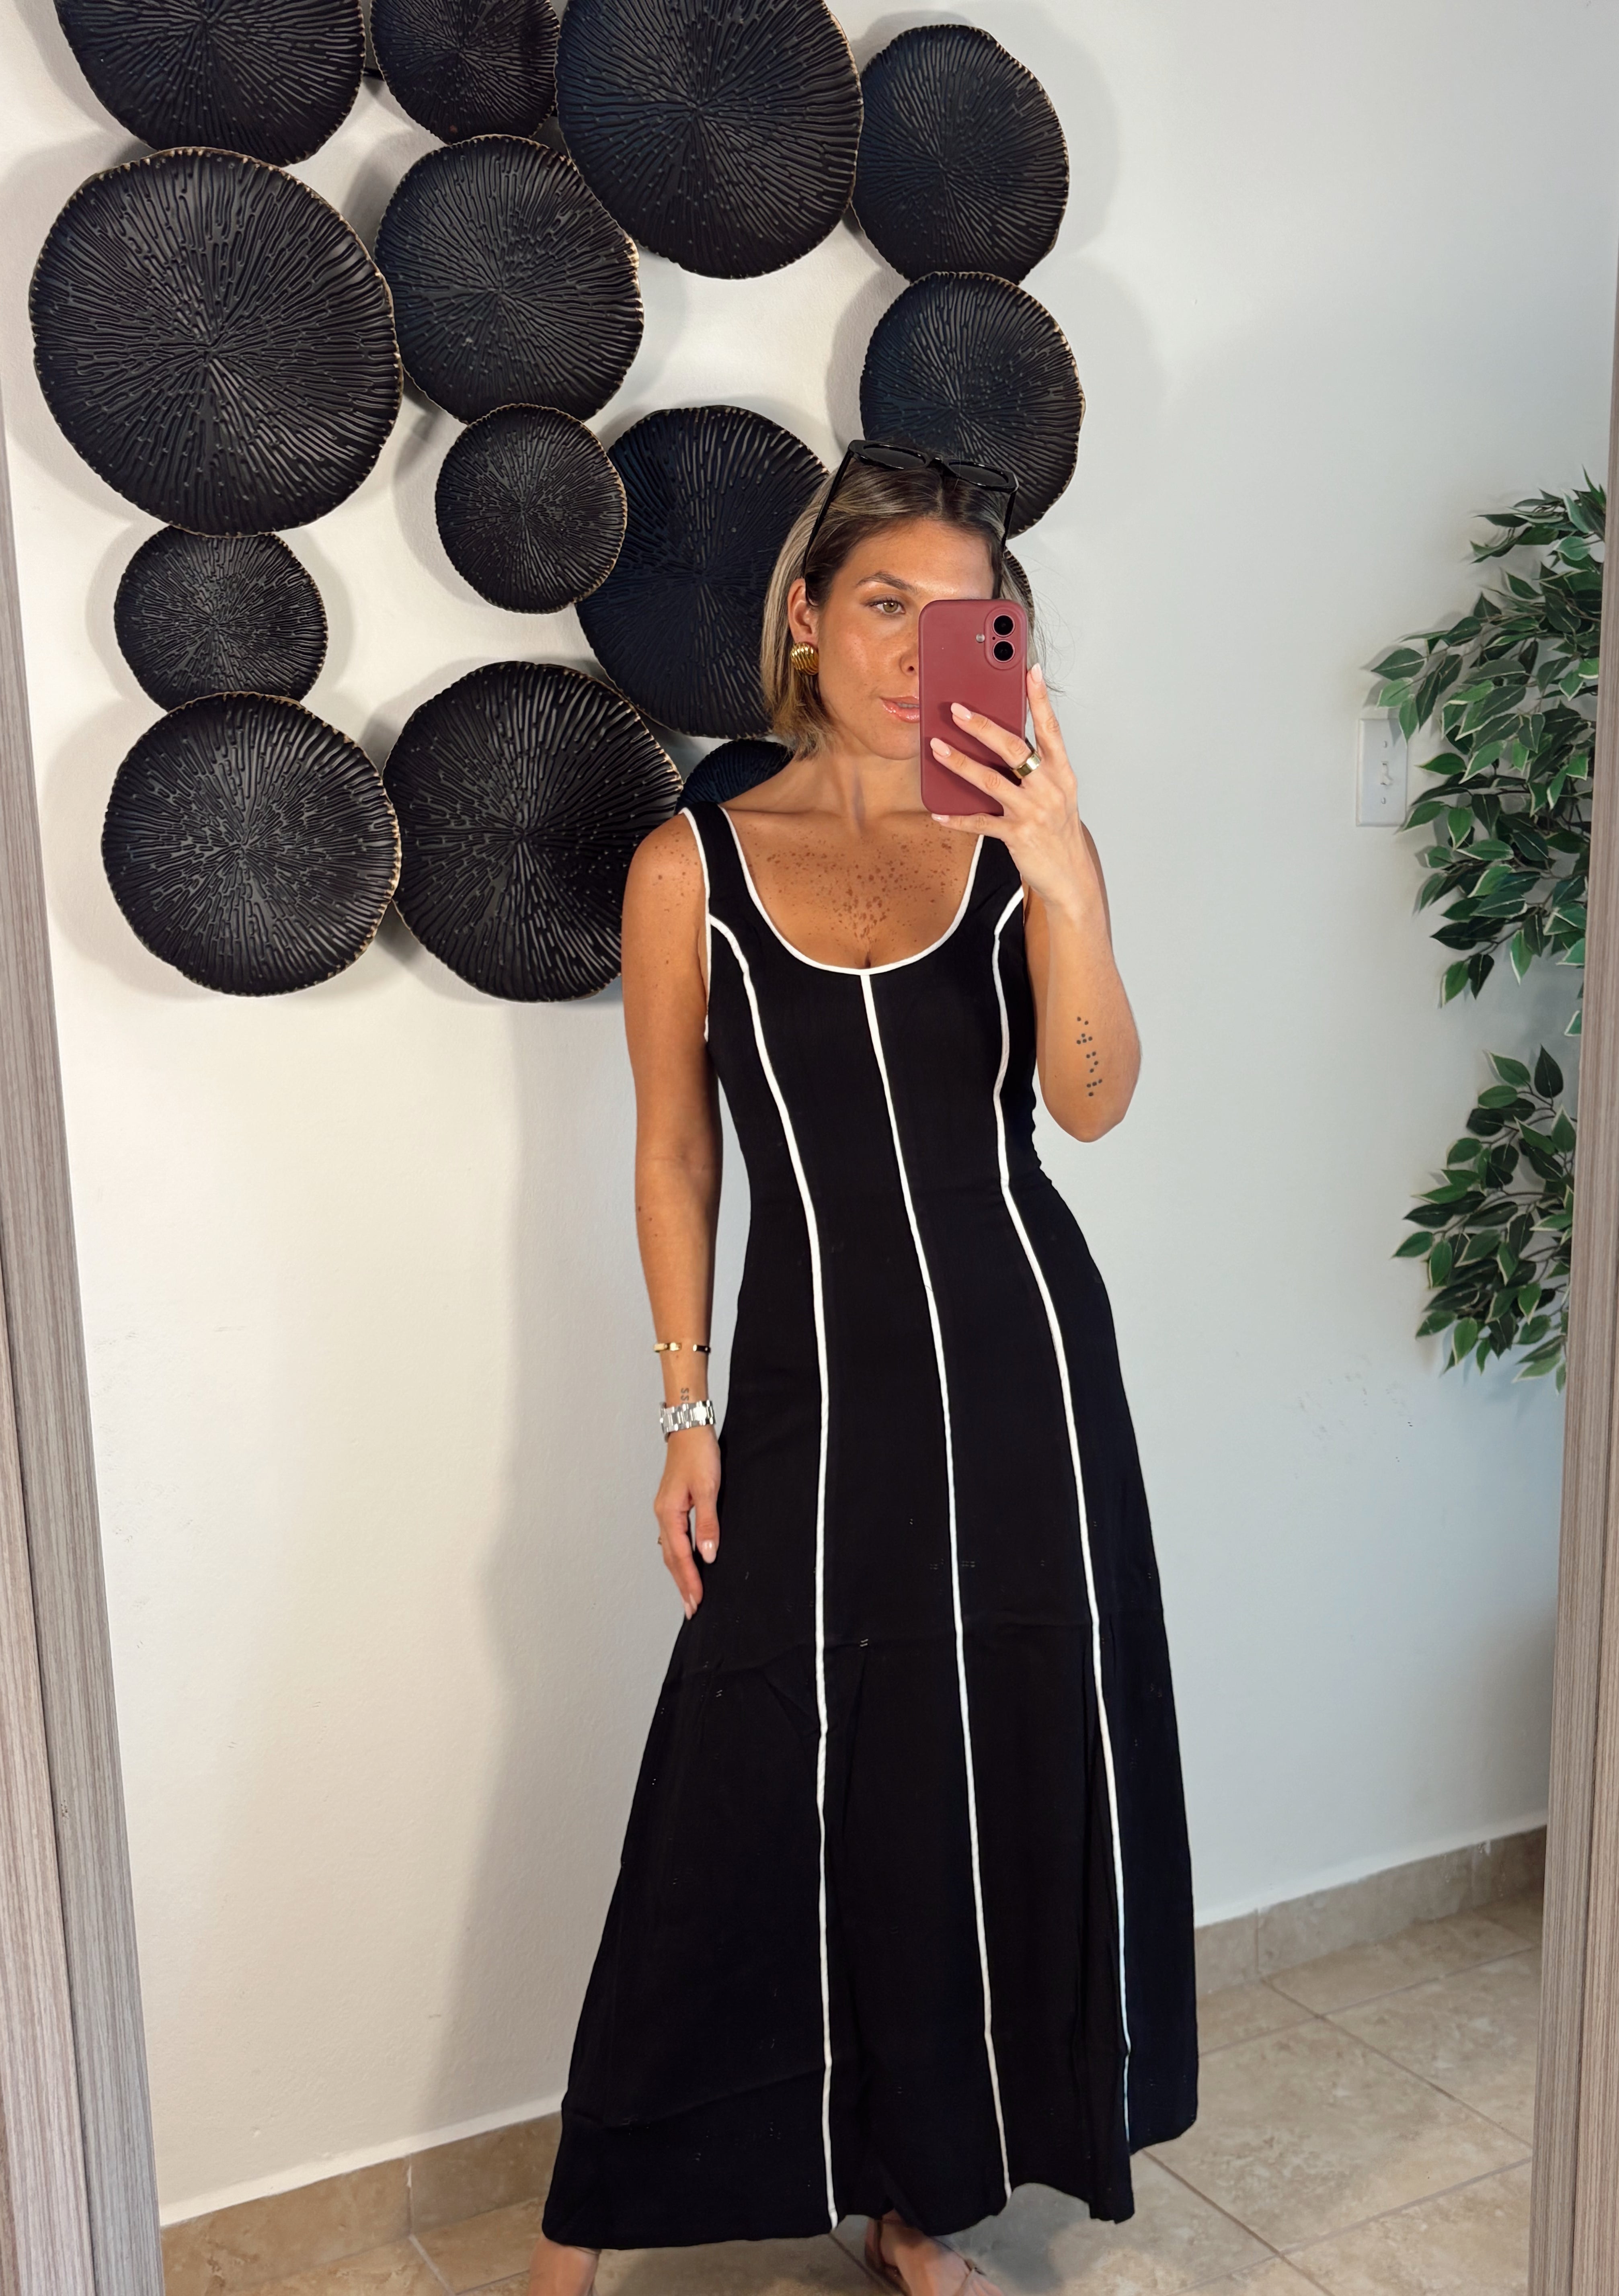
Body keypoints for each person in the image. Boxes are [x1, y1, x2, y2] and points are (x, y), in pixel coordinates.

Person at [528, 444, 1197, 2296]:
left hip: (1030, 1377)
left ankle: (920, 2198)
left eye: (961, 615)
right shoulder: (691, 864)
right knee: (738, 1779)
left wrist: (1064, 878)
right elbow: (677, 1155)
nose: (916, 648)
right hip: (812, 1392)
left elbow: (1092, 1103)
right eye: (884, 602)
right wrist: (683, 1414)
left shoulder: (1021, 837)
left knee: (995, 1764)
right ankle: (574, 2243)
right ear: (811, 617)